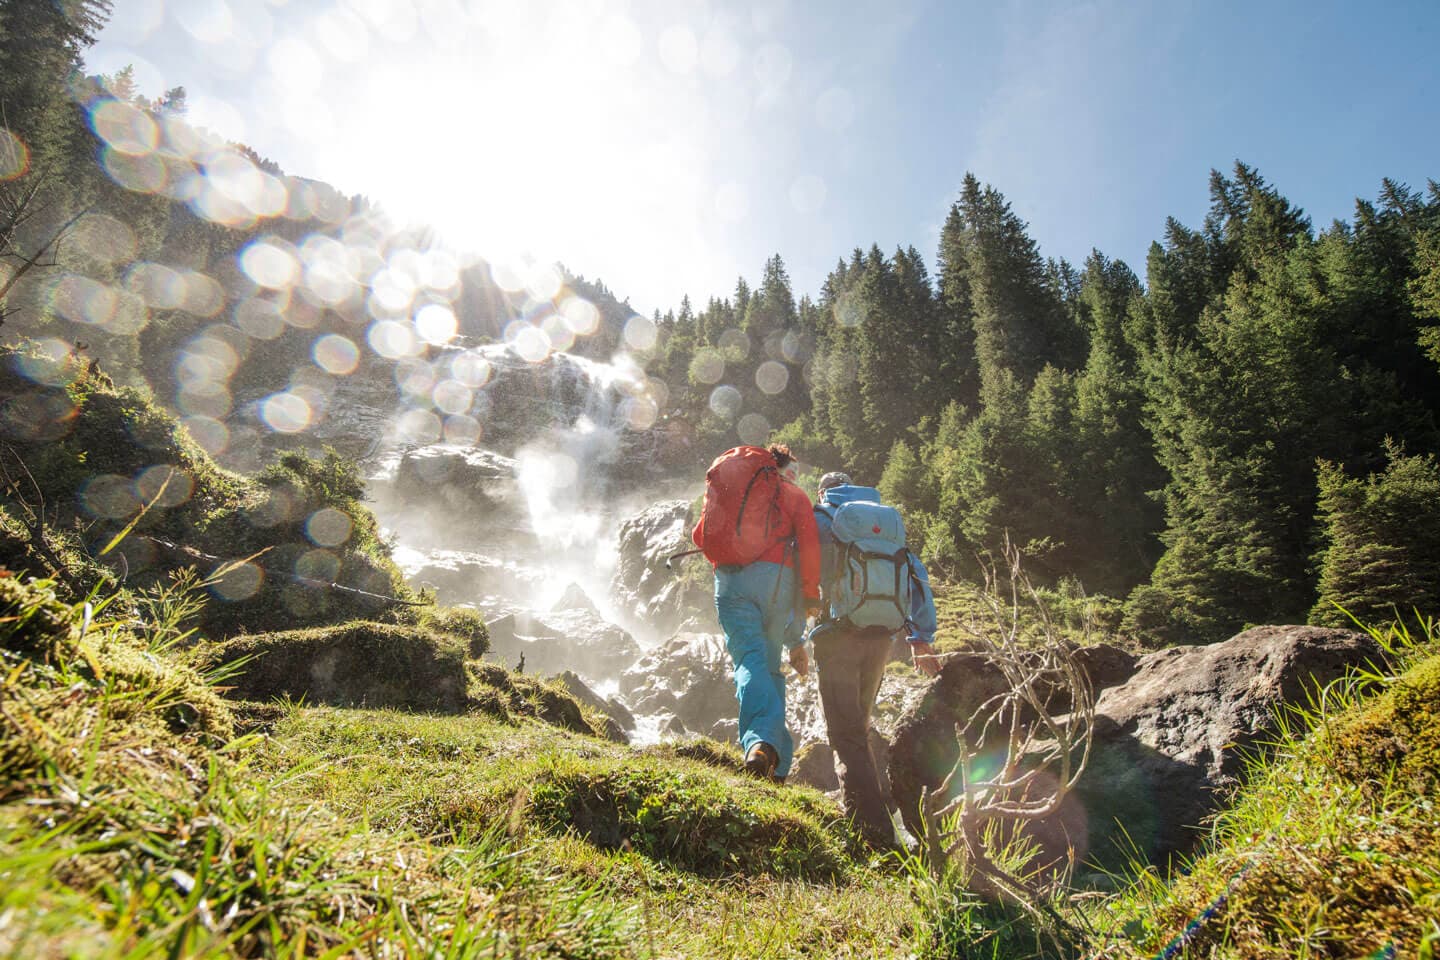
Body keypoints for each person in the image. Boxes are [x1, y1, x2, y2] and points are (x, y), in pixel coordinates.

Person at [809, 471, 940, 847]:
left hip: (837, 636)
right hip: (882, 637)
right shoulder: (885, 521)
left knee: (844, 732)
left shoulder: (824, 516)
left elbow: (804, 569)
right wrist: (921, 636)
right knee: (860, 724)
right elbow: (917, 575)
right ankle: (882, 811)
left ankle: (872, 833)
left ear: (823, 491)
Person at [691, 444, 821, 782]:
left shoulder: (734, 489)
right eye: (793, 469)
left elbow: (698, 534)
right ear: (781, 468)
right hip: (774, 583)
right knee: (766, 663)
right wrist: (809, 597)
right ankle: (764, 746)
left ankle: (772, 758)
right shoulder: (792, 496)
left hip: (729, 583)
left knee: (752, 661)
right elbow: (808, 547)